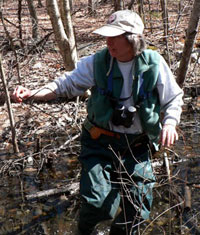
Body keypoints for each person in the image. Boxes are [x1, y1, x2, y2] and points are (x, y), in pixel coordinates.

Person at [12, 10, 183, 235]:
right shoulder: (98, 62)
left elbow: (173, 98)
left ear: (132, 38)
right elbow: (65, 84)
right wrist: (33, 93)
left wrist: (170, 123)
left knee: (138, 211)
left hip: (138, 145)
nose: (108, 41)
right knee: (97, 204)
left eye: (114, 36)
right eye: (107, 36)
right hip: (99, 142)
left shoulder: (154, 63)